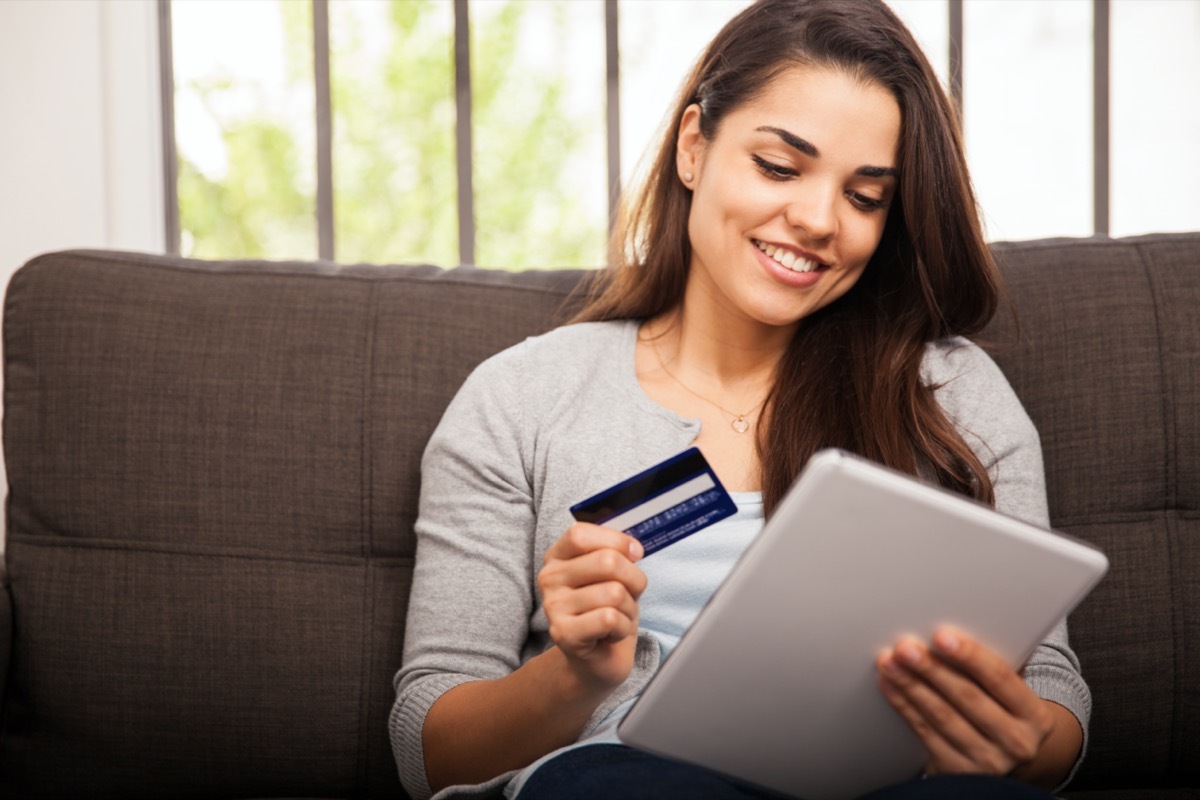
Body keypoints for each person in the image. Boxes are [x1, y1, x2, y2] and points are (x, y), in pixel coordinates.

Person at [390, 1, 1091, 798]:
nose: (818, 220)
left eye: (865, 197)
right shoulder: (521, 399)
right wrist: (575, 675)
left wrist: (1021, 742)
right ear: (695, 147)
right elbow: (429, 753)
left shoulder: (951, 395)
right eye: (780, 168)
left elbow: (1054, 697)